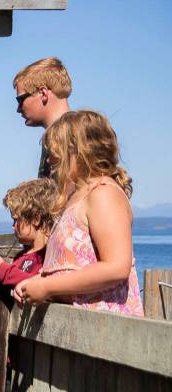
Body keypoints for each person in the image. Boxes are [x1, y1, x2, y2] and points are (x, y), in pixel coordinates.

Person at [13, 111, 143, 316]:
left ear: (80, 151)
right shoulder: (77, 197)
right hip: (75, 328)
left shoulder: (103, 193)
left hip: (102, 331)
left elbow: (116, 266)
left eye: (55, 152)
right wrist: (39, 282)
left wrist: (48, 287)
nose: (49, 160)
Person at [0, 178, 57, 288]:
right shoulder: (20, 257)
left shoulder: (47, 258)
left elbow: (37, 284)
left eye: (16, 220)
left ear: (36, 219)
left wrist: (0, 269)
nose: (13, 226)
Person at [13, 57, 72, 177]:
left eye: (20, 100)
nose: (18, 109)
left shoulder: (71, 135)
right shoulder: (63, 133)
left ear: (43, 93)